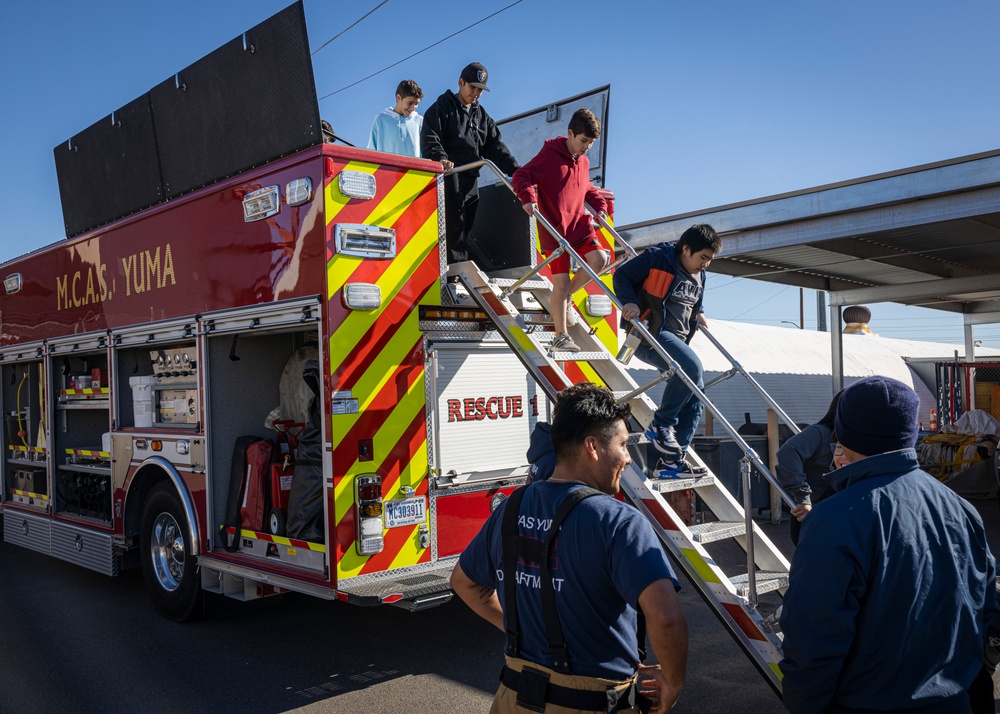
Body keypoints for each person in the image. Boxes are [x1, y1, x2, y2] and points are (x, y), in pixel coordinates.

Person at [451, 382, 688, 713]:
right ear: (593, 447)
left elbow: (464, 582)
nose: (629, 458)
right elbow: (665, 618)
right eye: (623, 444)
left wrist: (524, 631)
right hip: (590, 703)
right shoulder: (619, 521)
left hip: (513, 699)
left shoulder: (511, 507)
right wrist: (673, 683)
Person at [780, 375, 1000, 714]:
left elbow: (814, 637)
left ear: (844, 435)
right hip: (957, 699)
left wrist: (804, 706)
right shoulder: (960, 508)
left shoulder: (833, 518)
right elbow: (985, 606)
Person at [612, 224, 721, 475]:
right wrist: (629, 301)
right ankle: (661, 426)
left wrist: (700, 313)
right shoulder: (657, 257)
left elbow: (697, 300)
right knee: (692, 368)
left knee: (697, 394)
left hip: (676, 340)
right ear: (685, 249)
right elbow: (621, 276)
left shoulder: (700, 273)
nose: (706, 264)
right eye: (703, 257)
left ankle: (672, 462)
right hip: (650, 335)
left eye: (710, 260)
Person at [512, 108, 610, 353]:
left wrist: (601, 208)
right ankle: (561, 336)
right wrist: (527, 197)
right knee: (561, 281)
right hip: (555, 229)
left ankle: (566, 298)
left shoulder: (584, 162)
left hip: (579, 225)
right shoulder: (550, 154)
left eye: (591, 143)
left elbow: (588, 190)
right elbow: (521, 175)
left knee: (600, 260)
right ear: (570, 134)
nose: (587, 147)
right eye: (583, 141)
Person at [420, 62, 519, 263]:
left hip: (471, 176)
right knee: (453, 221)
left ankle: (460, 264)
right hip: (449, 176)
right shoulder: (441, 108)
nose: (476, 93)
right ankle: (455, 267)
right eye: (472, 87)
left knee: (467, 223)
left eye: (480, 90)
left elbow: (496, 148)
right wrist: (441, 158)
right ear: (460, 82)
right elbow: (431, 138)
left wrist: (516, 171)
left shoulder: (482, 117)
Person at [774, 390, 842, 546]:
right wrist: (803, 497)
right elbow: (788, 453)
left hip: (837, 513)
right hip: (812, 514)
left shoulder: (856, 439)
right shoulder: (820, 433)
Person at [367, 79, 424, 158]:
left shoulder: (420, 121)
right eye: (410, 103)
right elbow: (371, 151)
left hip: (413, 170)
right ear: (398, 97)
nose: (413, 108)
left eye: (416, 103)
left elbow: (425, 154)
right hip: (387, 169)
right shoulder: (381, 120)